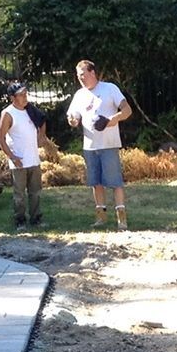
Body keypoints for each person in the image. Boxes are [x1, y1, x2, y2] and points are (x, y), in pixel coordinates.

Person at [65, 59, 132, 230]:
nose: (80, 78)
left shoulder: (109, 88)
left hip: (108, 144)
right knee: (96, 183)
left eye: (83, 74)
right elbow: (74, 117)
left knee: (115, 181)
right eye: (78, 75)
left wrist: (110, 121)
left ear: (92, 72)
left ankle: (121, 218)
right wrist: (73, 120)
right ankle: (101, 217)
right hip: (90, 146)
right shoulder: (80, 95)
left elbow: (127, 111)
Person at [0, 82, 49, 229]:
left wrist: (42, 136)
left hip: (33, 159)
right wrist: (12, 156)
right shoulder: (8, 113)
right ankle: (20, 220)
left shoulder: (30, 109)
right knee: (19, 194)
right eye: (21, 95)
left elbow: (42, 120)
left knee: (36, 192)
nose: (25, 97)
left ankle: (36, 218)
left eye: (26, 94)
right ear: (13, 97)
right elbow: (0, 138)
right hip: (19, 160)